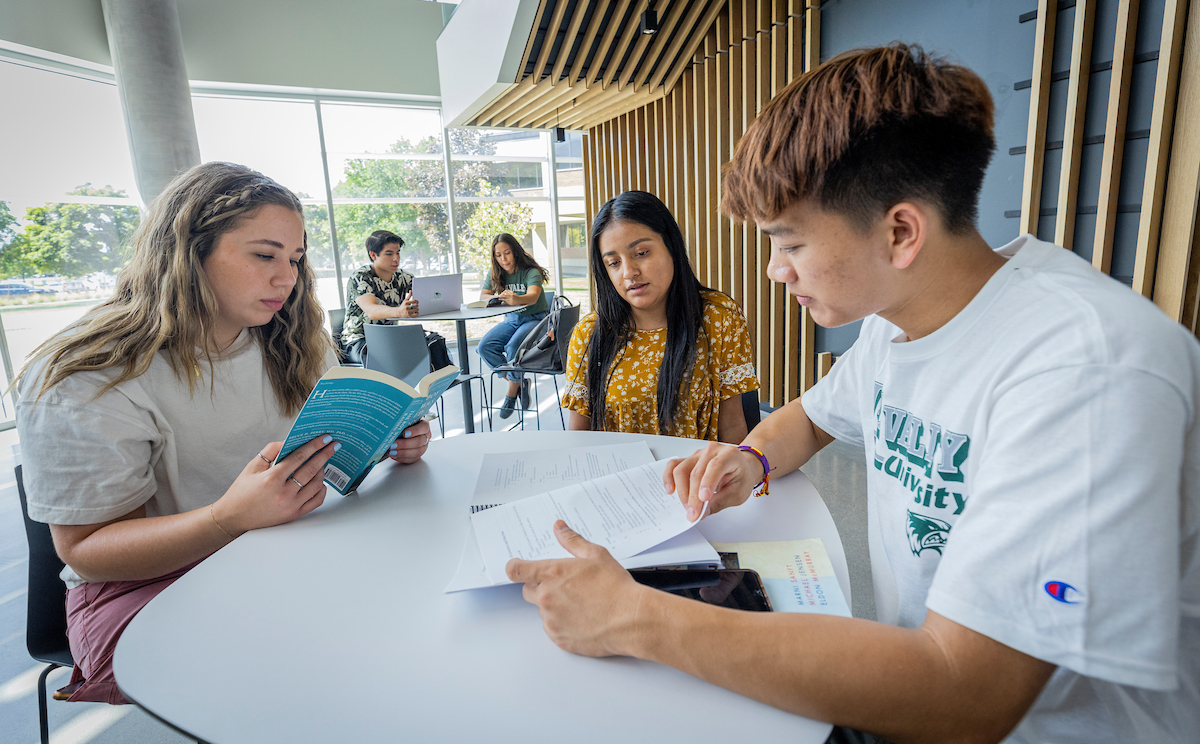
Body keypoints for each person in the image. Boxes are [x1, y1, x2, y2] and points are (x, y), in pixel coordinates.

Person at [506, 45, 1199, 743]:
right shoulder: (897, 326)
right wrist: (748, 461)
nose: (775, 271)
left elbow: (970, 695)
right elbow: (806, 420)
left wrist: (636, 618)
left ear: (900, 232)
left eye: (791, 244)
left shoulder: (1086, 371)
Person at [15, 162, 433, 705]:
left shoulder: (292, 339)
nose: (287, 278)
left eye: (295, 259)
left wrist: (382, 441)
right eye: (264, 255)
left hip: (278, 548)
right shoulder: (89, 374)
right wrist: (225, 519)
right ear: (187, 250)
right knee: (337, 661)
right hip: (147, 586)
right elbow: (87, 552)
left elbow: (315, 460)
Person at [562, 191, 758, 442]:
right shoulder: (590, 334)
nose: (629, 272)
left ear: (671, 246)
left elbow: (731, 425)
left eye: (641, 253)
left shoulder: (719, 318)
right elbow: (579, 439)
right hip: (619, 478)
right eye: (613, 263)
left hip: (697, 478)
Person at [340, 229, 452, 371]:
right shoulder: (361, 277)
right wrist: (399, 312)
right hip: (358, 341)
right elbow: (371, 310)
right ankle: (400, 390)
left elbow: (428, 292)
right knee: (386, 354)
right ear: (373, 255)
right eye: (389, 254)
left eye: (398, 252)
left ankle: (437, 385)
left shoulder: (402, 277)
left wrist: (441, 298)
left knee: (434, 341)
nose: (396, 259)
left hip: (389, 339)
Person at [476, 233, 550, 418]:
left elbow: (532, 296)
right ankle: (519, 382)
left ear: (515, 252)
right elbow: (483, 296)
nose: (503, 259)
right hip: (511, 320)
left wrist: (516, 299)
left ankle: (511, 393)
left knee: (513, 346)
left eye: (507, 253)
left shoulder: (530, 271)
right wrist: (497, 297)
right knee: (484, 347)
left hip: (535, 319)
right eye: (498, 255)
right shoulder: (496, 273)